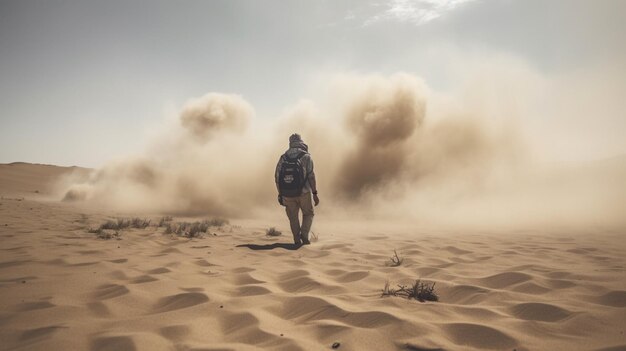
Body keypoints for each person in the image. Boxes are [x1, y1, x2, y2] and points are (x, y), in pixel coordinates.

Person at [275, 133, 319, 245]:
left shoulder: (283, 157)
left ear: (290, 143)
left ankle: (296, 239)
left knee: (293, 218)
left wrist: (280, 194)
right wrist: (314, 193)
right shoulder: (306, 156)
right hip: (304, 193)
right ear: (301, 141)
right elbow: (311, 176)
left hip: (287, 194)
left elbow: (277, 177)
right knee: (308, 214)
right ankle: (304, 236)